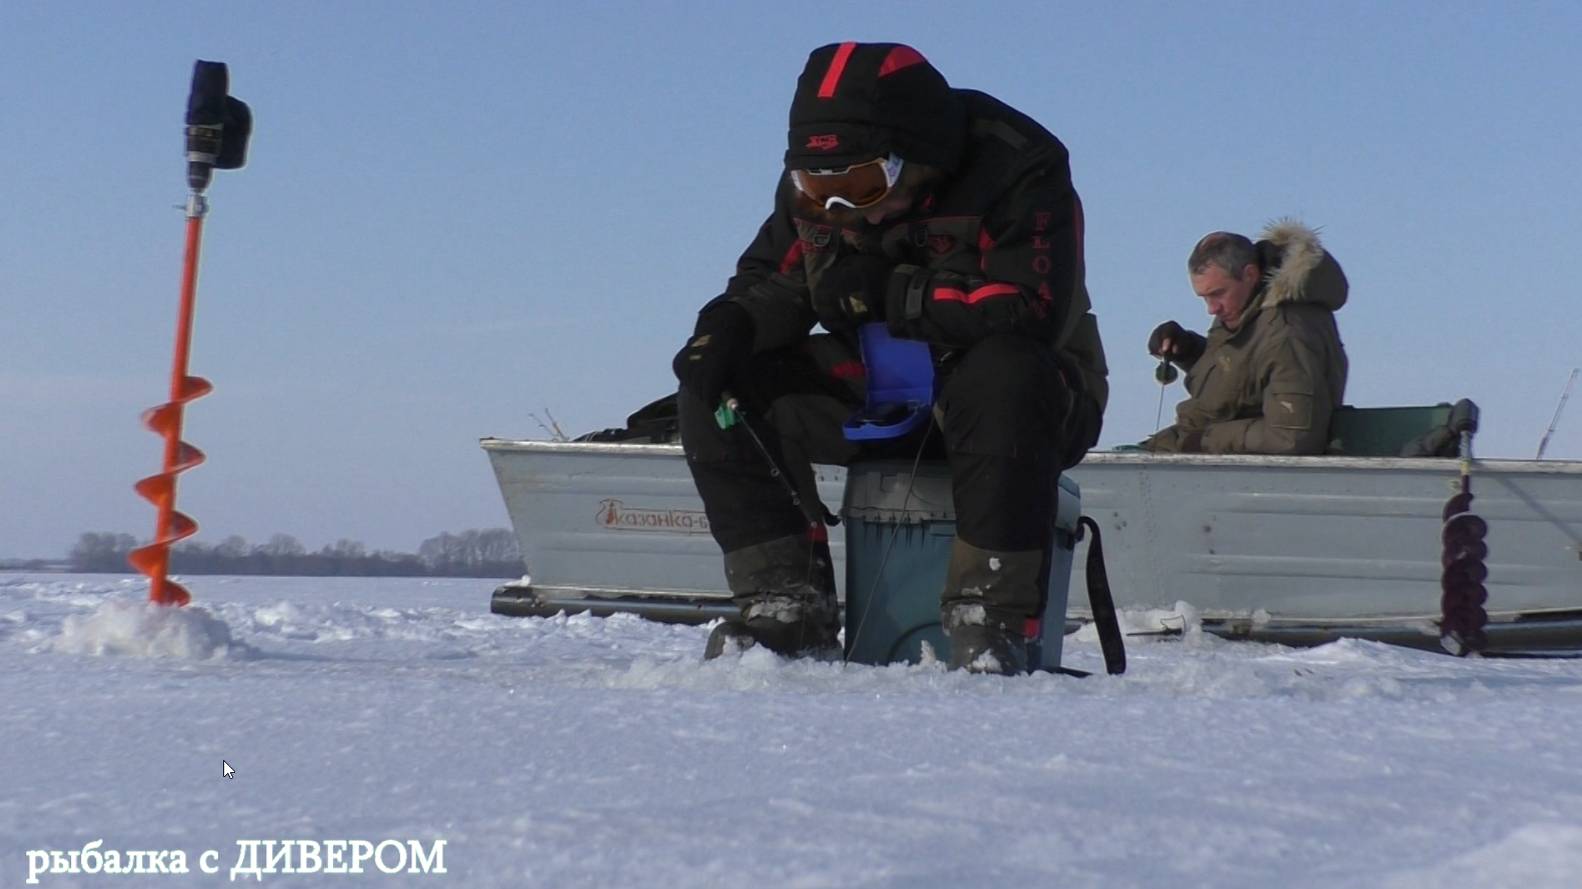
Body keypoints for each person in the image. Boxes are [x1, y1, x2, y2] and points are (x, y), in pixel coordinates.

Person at [670, 42, 1108, 674]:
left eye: (862, 184)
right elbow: (774, 279)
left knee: (1004, 375)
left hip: (1031, 395)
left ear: (920, 155)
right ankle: (786, 610)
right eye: (818, 186)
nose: (841, 205)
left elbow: (1029, 306)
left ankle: (991, 620)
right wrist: (726, 327)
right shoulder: (818, 197)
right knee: (721, 390)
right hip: (878, 390)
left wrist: (892, 291)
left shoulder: (1018, 162)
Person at [1143, 221, 1348, 454]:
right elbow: (1242, 378)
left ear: (1250, 274)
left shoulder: (1288, 334)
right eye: (1204, 298)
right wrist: (1187, 350)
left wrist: (1205, 441)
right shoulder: (1246, 306)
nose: (1212, 309)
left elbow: (1291, 437)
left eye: (1217, 294)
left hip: (1246, 477)